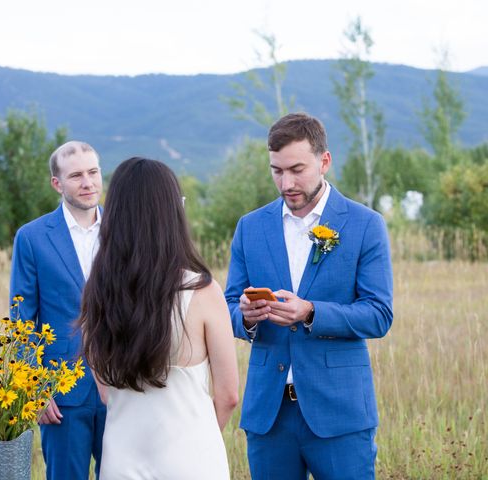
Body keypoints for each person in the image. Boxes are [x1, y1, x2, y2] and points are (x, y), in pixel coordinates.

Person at [224, 112, 393, 479]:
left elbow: (379, 314)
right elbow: (228, 306)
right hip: (269, 416)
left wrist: (311, 312)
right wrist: (246, 318)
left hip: (340, 413)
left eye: (297, 169)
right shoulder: (250, 227)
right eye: (277, 170)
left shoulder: (365, 225)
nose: (286, 183)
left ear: (324, 161)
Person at [78, 157, 239, 480]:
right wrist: (199, 438)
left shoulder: (97, 293)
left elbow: (105, 390)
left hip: (120, 461)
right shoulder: (201, 291)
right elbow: (229, 395)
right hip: (191, 459)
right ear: (171, 213)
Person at [10, 141, 107, 479]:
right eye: (76, 175)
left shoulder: (123, 230)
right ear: (57, 183)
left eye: (93, 172)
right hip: (60, 388)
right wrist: (34, 386)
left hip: (123, 383)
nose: (88, 183)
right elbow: (22, 319)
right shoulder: (32, 237)